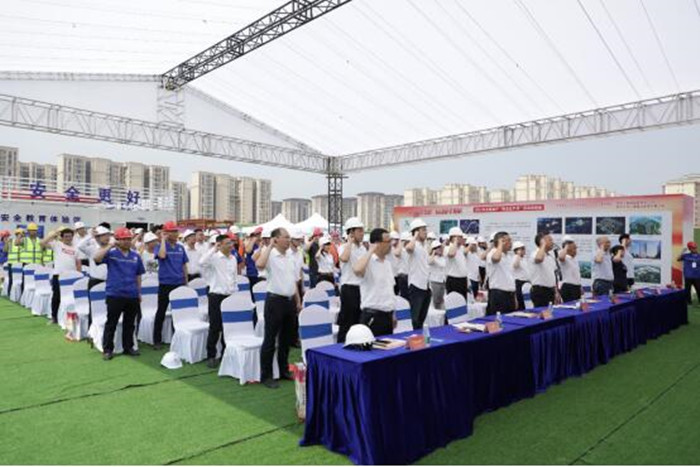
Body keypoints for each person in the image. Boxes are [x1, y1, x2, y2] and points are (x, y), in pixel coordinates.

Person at [256, 228, 301, 389]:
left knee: (286, 339)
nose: (289, 240)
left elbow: (293, 280)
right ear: (276, 239)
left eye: (289, 237)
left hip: (289, 302)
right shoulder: (270, 255)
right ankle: (266, 375)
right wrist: (269, 246)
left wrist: (298, 301)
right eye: (285, 237)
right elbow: (259, 265)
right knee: (270, 339)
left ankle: (283, 370)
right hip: (275, 301)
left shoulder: (290, 256)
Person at [94, 227, 144, 360]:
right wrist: (110, 245)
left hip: (132, 294)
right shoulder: (111, 253)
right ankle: (107, 349)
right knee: (112, 323)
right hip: (115, 293)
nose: (127, 241)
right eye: (124, 239)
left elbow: (138, 275)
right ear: (117, 240)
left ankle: (128, 347)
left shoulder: (135, 256)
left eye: (128, 239)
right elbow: (97, 258)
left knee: (130, 323)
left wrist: (139, 292)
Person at [199, 234, 238, 368]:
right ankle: (211, 355)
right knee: (215, 327)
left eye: (231, 243)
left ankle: (225, 354)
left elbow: (234, 277)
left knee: (227, 327)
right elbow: (201, 262)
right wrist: (214, 249)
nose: (231, 245)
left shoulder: (233, 258)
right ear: (220, 245)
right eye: (227, 243)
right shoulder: (214, 258)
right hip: (216, 296)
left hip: (230, 296)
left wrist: (235, 292)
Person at [354, 228, 396, 337]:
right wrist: (370, 250)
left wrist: (393, 313)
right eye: (388, 241)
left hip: (387, 316)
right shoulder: (368, 261)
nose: (391, 244)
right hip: (372, 316)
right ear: (377, 243)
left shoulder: (387, 264)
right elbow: (357, 269)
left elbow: (389, 290)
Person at [153, 221, 189, 349]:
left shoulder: (180, 247)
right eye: (172, 231)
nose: (175, 234)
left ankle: (176, 338)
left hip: (179, 283)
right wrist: (163, 240)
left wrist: (186, 282)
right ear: (166, 233)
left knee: (178, 313)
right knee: (161, 312)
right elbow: (162, 255)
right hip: (165, 283)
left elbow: (184, 265)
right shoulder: (159, 246)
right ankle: (157, 340)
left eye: (176, 231)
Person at [40, 227, 81, 324]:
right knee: (56, 297)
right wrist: (54, 233)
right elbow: (42, 243)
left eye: (70, 236)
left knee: (71, 298)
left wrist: (79, 274)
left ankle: (71, 318)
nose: (68, 238)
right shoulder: (57, 244)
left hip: (72, 277)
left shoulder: (76, 248)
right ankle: (54, 317)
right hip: (58, 275)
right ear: (62, 237)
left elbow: (78, 263)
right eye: (66, 236)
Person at [337, 218, 366, 343]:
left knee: (359, 320)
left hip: (361, 287)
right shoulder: (343, 247)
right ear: (351, 232)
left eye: (362, 230)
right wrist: (349, 242)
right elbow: (344, 258)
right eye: (359, 231)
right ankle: (340, 345)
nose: (362, 233)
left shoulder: (363, 249)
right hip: (349, 288)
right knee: (347, 321)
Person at [405, 218, 431, 330]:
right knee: (414, 318)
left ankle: (420, 336)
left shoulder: (423, 246)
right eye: (423, 230)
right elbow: (409, 248)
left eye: (426, 229)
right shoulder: (413, 244)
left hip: (426, 285)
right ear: (416, 231)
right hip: (416, 285)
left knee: (422, 317)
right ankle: (414, 336)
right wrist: (414, 236)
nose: (426, 232)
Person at [486, 231, 517, 314]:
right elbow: (496, 258)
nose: (511, 243)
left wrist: (514, 297)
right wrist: (500, 244)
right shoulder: (492, 253)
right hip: (498, 294)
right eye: (508, 240)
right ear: (501, 241)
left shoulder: (508, 257)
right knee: (499, 320)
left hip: (510, 295)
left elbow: (511, 278)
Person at [529, 232, 560, 307]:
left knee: (551, 312)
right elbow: (539, 258)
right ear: (542, 241)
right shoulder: (535, 253)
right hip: (540, 291)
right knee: (542, 312)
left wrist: (556, 292)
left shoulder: (550, 256)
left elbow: (553, 276)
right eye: (550, 240)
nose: (552, 242)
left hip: (551, 291)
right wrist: (543, 245)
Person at [77, 226, 112, 291]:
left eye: (108, 235)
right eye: (103, 235)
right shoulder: (92, 248)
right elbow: (80, 246)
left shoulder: (112, 248)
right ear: (97, 237)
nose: (107, 237)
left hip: (110, 281)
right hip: (95, 281)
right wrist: (90, 236)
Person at [445, 227, 468, 299]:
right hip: (453, 280)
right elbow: (451, 254)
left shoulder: (461, 248)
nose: (462, 239)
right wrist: (455, 242)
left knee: (463, 301)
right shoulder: (448, 248)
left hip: (463, 279)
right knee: (454, 302)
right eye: (460, 237)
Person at [558, 236, 583, 303]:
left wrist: (580, 286)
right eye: (574, 248)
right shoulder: (565, 257)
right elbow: (561, 257)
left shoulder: (574, 259)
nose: (576, 250)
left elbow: (577, 275)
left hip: (576, 287)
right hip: (568, 287)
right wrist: (566, 246)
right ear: (568, 249)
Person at [428, 240, 446, 310]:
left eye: (440, 247)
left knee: (441, 299)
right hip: (435, 281)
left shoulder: (442, 258)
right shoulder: (432, 258)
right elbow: (430, 261)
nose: (440, 249)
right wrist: (433, 252)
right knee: (436, 300)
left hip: (442, 281)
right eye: (437, 248)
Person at [511, 241, 529, 310]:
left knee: (526, 303)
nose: (524, 250)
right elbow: (515, 265)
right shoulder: (515, 257)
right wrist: (518, 255)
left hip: (526, 283)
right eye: (522, 249)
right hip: (519, 283)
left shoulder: (524, 259)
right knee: (521, 302)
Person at [392, 232, 410, 299]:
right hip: (401, 275)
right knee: (403, 296)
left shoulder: (408, 250)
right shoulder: (398, 249)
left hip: (409, 275)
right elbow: (397, 253)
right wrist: (401, 243)